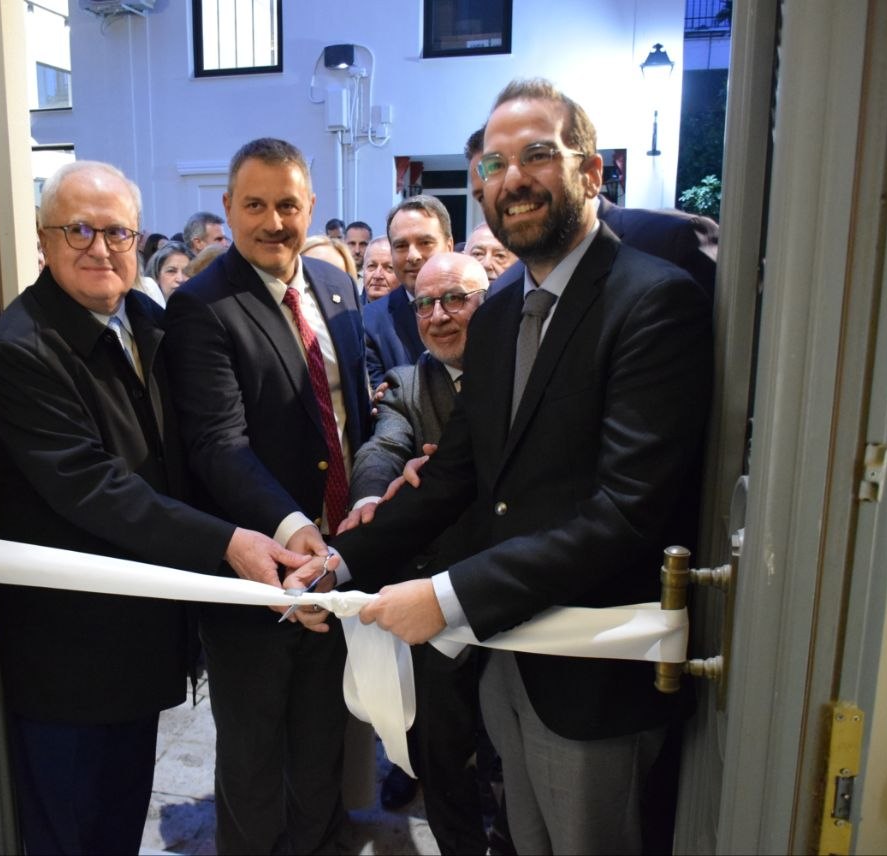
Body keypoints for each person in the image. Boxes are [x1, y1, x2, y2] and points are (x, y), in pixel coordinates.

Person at [295, 78, 714, 854]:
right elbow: (456, 473)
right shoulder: (499, 314)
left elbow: (625, 513)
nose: (512, 178)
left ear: (592, 171)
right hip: (506, 661)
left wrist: (445, 598)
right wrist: (340, 564)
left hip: (593, 676)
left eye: (537, 154)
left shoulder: (653, 302)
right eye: (493, 164)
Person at [0, 161, 306, 855]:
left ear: (139, 239)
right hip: (70, 654)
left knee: (120, 821)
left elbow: (204, 441)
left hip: (142, 638)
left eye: (117, 232)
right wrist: (228, 542)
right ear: (43, 239)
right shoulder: (20, 349)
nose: (100, 248)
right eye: (79, 230)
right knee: (68, 832)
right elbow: (96, 488)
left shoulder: (147, 319)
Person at [164, 138, 371, 855]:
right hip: (256, 570)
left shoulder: (337, 287)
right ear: (228, 208)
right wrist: (290, 527)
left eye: (288, 204)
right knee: (253, 759)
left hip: (340, 564)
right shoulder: (200, 306)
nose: (273, 221)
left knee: (323, 741)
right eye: (254, 205)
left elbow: (353, 416)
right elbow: (218, 443)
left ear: (310, 206)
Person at [343, 251, 494, 854]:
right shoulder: (407, 383)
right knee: (443, 755)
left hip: (517, 590)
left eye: (456, 299)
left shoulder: (523, 373)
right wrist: (371, 496)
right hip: (436, 599)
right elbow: (383, 447)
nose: (439, 315)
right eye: (425, 304)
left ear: (490, 302)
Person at [363, 195, 455, 388]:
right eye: (401, 246)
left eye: (425, 242)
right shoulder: (370, 322)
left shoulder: (478, 306)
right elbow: (385, 398)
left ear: (449, 246)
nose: (413, 256)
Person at [360, 237, 399, 303]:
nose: (377, 275)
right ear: (363, 269)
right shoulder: (349, 308)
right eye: (371, 266)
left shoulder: (415, 308)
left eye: (389, 267)